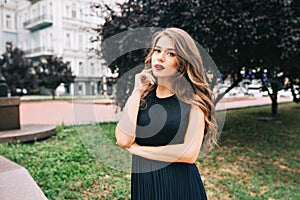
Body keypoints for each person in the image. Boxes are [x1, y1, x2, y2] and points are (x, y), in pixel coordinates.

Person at [115, 27, 218, 200]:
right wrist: (137, 91)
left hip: (179, 186)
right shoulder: (142, 97)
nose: (160, 57)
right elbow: (123, 140)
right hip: (145, 185)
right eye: (157, 50)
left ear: (182, 62)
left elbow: (188, 154)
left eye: (171, 54)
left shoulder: (194, 101)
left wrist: (139, 150)